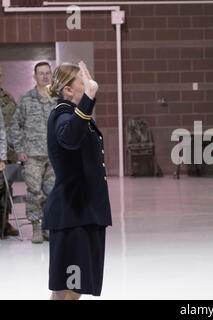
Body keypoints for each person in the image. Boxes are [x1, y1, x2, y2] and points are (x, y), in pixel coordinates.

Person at [44, 62, 112, 300]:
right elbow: (70, 137)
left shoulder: (73, 115)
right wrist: (89, 99)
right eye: (82, 82)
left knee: (70, 287)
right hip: (74, 214)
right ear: (68, 90)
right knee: (69, 288)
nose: (89, 84)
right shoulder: (63, 115)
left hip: (81, 213)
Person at [8, 62, 56, 243]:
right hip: (33, 156)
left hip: (54, 156)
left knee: (52, 192)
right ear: (35, 76)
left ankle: (49, 226)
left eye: (47, 73)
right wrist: (19, 150)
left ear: (51, 75)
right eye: (41, 73)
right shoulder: (26, 99)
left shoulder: (57, 100)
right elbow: (14, 126)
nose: (44, 76)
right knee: (35, 192)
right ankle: (36, 226)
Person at [0, 67, 18, 237]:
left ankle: (4, 224)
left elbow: (16, 124)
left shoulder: (8, 98)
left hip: (8, 153)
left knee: (6, 189)